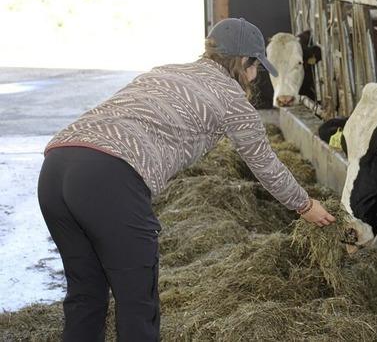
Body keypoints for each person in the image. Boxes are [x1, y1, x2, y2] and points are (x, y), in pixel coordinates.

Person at [37, 18, 336, 342]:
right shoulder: (233, 100)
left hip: (56, 167)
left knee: (86, 295)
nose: (255, 77)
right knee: (137, 303)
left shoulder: (166, 70)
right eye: (255, 68)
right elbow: (265, 163)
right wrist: (305, 205)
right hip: (108, 177)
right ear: (244, 62)